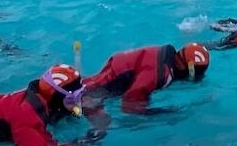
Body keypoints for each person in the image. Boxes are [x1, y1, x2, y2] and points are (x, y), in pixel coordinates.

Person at [83, 42, 211, 111]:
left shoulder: (167, 55)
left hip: (117, 68)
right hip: (111, 82)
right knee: (102, 124)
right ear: (185, 67)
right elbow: (129, 104)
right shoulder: (159, 75)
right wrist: (159, 113)